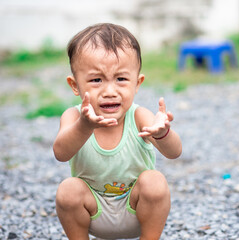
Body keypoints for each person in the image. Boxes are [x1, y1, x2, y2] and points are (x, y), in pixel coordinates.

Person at [53, 23, 182, 240]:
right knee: (68, 189)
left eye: (121, 79)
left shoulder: (139, 116)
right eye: (96, 80)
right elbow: (60, 153)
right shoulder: (74, 117)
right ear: (75, 85)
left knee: (155, 181)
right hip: (94, 211)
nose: (110, 91)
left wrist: (162, 134)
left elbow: (174, 152)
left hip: (136, 210)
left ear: (137, 83)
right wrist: (84, 126)